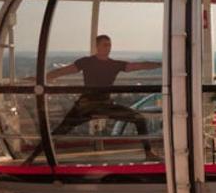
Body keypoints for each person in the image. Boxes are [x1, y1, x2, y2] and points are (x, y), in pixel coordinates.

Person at [23, 35, 161, 164]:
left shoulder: (111, 64)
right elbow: (62, 71)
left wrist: (160, 64)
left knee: (139, 118)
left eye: (109, 45)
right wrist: (38, 79)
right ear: (97, 47)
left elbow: (138, 65)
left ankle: (148, 153)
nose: (108, 48)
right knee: (59, 131)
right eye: (105, 45)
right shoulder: (87, 62)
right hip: (89, 105)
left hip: (94, 105)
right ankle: (31, 158)